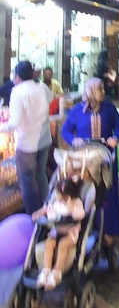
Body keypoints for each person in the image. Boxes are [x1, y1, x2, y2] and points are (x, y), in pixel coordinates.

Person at [61, 77, 119, 240]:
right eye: (100, 89)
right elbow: (65, 131)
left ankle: (109, 230)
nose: (104, 92)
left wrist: (115, 138)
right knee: (85, 192)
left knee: (108, 192)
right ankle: (85, 229)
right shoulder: (76, 111)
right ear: (90, 91)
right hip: (85, 162)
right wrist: (74, 140)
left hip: (105, 158)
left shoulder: (109, 108)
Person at [0, 60, 51, 214]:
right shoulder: (42, 88)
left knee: (27, 182)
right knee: (41, 175)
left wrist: (2, 127)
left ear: (17, 76)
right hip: (44, 140)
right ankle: (48, 208)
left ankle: (33, 216)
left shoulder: (18, 92)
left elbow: (14, 123)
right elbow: (51, 99)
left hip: (27, 144)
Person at [34, 178, 85, 290]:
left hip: (70, 233)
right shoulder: (56, 203)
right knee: (49, 244)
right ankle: (46, 270)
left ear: (67, 196)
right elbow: (48, 210)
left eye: (57, 193)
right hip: (56, 232)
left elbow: (80, 215)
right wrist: (40, 213)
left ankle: (57, 273)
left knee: (62, 245)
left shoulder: (76, 203)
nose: (55, 195)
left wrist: (70, 208)